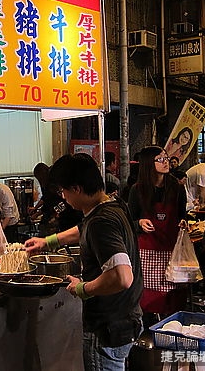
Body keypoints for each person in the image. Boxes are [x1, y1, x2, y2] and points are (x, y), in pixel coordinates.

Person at [25, 153, 142, 371]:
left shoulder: (101, 221)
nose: (63, 197)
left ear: (76, 188)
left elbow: (122, 277)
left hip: (107, 326)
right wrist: (48, 242)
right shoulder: (113, 204)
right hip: (127, 316)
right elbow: (84, 229)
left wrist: (84, 288)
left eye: (63, 191)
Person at [128, 146, 187, 317]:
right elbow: (129, 222)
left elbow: (183, 214)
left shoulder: (176, 188)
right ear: (148, 163)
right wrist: (139, 223)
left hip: (171, 250)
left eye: (166, 158)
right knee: (148, 296)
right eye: (160, 159)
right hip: (146, 250)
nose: (165, 162)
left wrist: (184, 221)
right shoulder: (137, 190)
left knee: (171, 295)